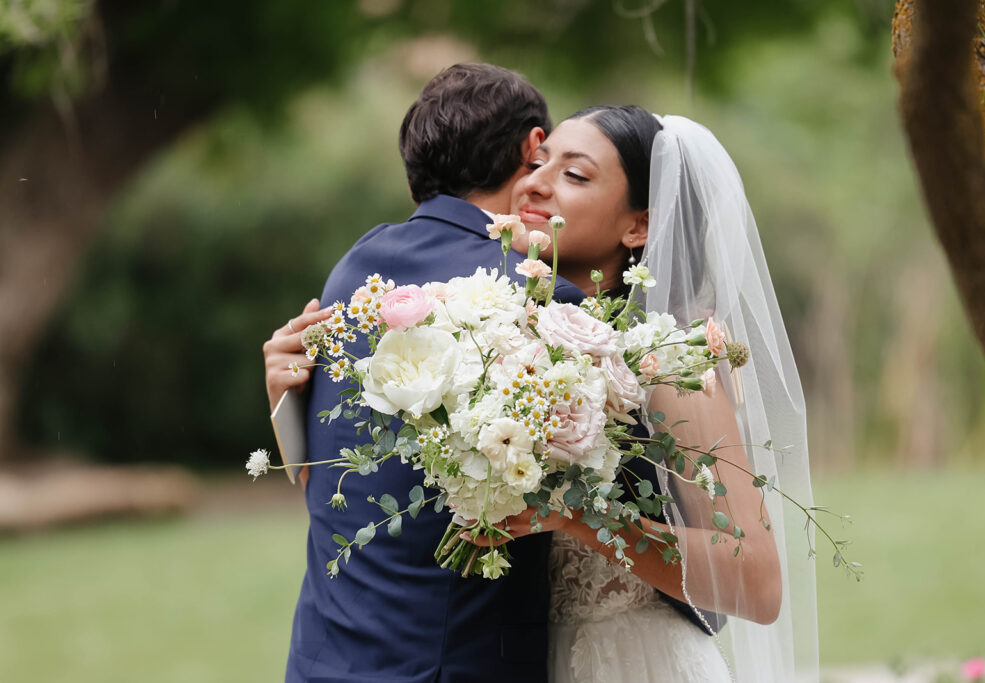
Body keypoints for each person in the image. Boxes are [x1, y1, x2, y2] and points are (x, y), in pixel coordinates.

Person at [269, 93, 816, 679]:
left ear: (640, 226)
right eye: (537, 164)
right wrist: (285, 394)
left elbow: (758, 581)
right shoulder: (490, 334)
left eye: (574, 174)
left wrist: (580, 516)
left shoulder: (671, 361)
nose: (534, 185)